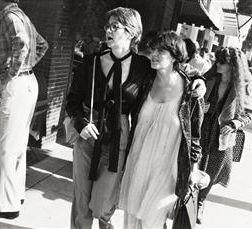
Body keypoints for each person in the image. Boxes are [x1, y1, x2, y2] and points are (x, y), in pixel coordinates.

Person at [66, 7, 206, 228]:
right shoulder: (91, 62)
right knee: (81, 200)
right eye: (107, 26)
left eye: (115, 26)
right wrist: (80, 122)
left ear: (131, 32)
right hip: (89, 131)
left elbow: (172, 68)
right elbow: (72, 99)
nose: (108, 31)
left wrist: (199, 77)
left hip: (118, 135)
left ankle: (105, 223)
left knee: (104, 204)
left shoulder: (143, 67)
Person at [118, 31, 204, 228]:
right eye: (153, 50)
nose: (154, 55)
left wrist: (193, 169)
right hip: (139, 161)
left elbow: (195, 136)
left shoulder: (190, 90)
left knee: (152, 221)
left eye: (161, 51)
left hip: (168, 167)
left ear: (175, 55)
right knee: (132, 221)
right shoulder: (145, 80)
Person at [0, 0, 48, 219]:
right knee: (17, 145)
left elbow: (24, 44)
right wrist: (26, 67)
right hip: (28, 82)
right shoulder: (22, 16)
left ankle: (5, 206)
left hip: (18, 84)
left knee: (5, 148)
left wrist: (12, 71)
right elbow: (42, 45)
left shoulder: (10, 16)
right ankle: (15, 195)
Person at [197, 47, 252, 224]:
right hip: (202, 129)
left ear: (233, 65)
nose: (218, 64)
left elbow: (249, 114)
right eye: (218, 60)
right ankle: (188, 198)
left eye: (223, 61)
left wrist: (235, 124)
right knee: (194, 163)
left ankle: (200, 202)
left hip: (222, 135)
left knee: (213, 170)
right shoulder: (210, 79)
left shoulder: (241, 87)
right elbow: (192, 98)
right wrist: (200, 105)